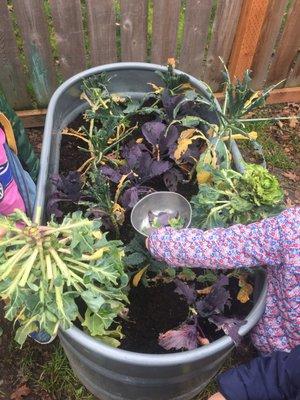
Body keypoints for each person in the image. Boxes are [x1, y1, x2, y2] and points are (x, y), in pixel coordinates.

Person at [146, 208, 300, 399]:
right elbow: (231, 245)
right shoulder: (292, 231)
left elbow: (226, 245)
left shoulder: (292, 229)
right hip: (278, 352)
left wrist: (159, 242)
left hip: (273, 347)